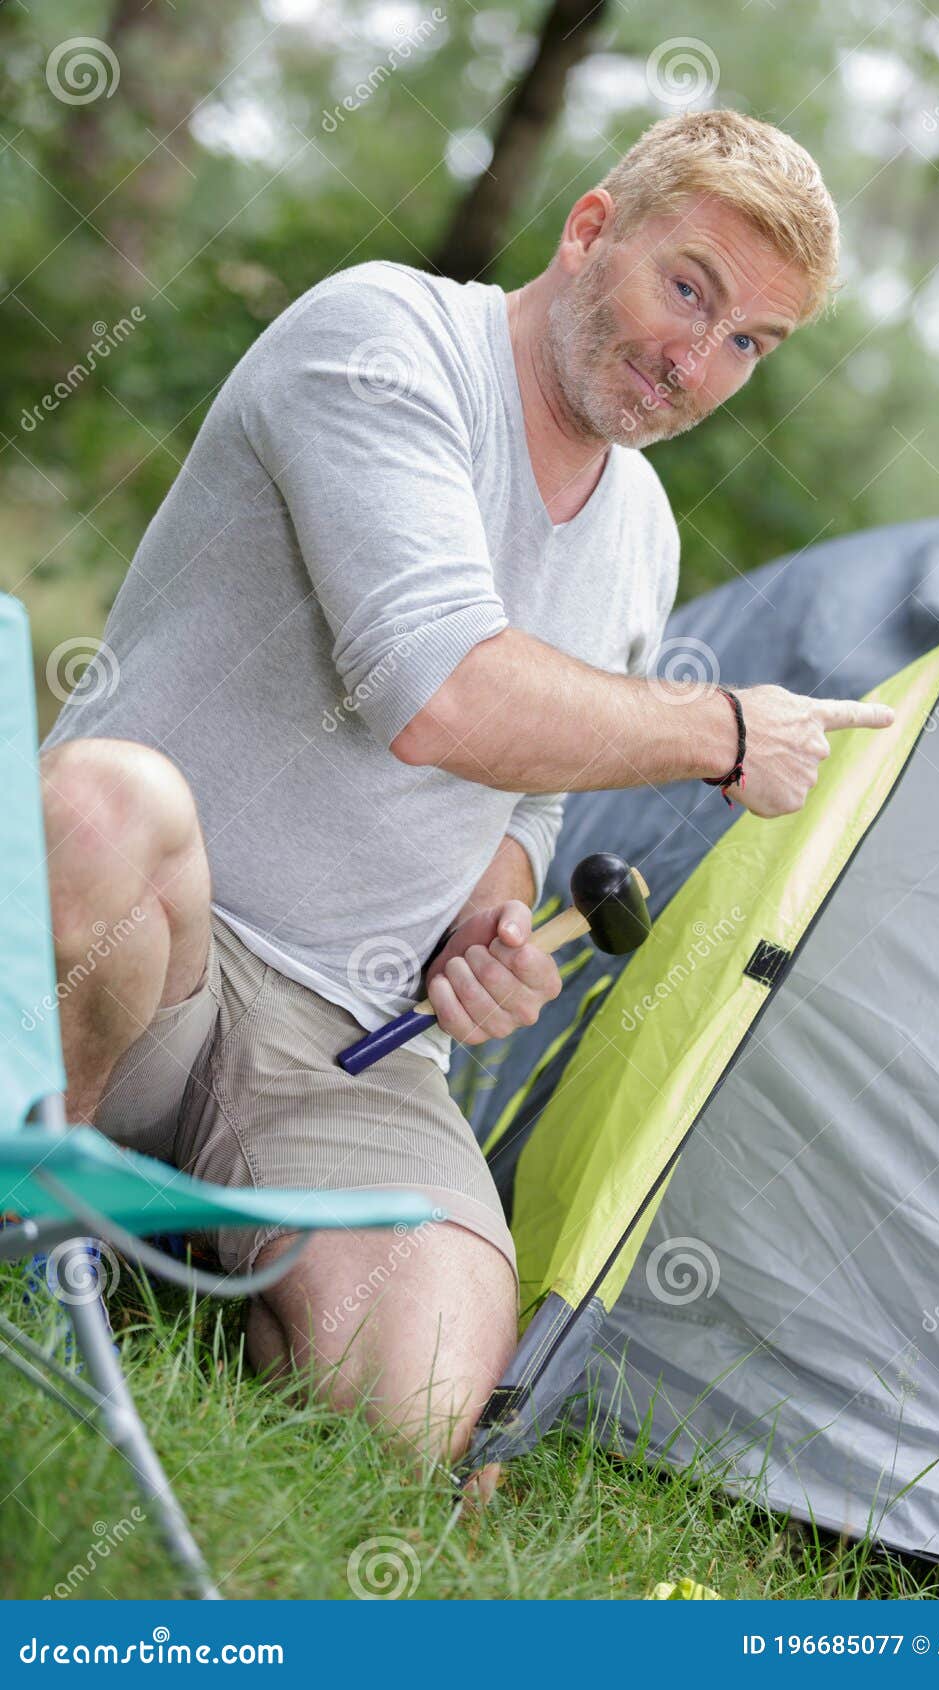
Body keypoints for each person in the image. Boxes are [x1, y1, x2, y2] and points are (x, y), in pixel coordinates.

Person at [41, 108, 893, 1497]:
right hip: (149, 944)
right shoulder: (383, 338)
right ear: (590, 229)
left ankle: (196, 1252)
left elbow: (530, 804)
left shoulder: (646, 529)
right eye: (691, 288)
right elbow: (439, 691)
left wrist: (486, 925)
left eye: (751, 341)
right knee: (101, 806)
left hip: (354, 1043)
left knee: (424, 1410)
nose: (700, 359)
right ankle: (46, 1221)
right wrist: (723, 729)